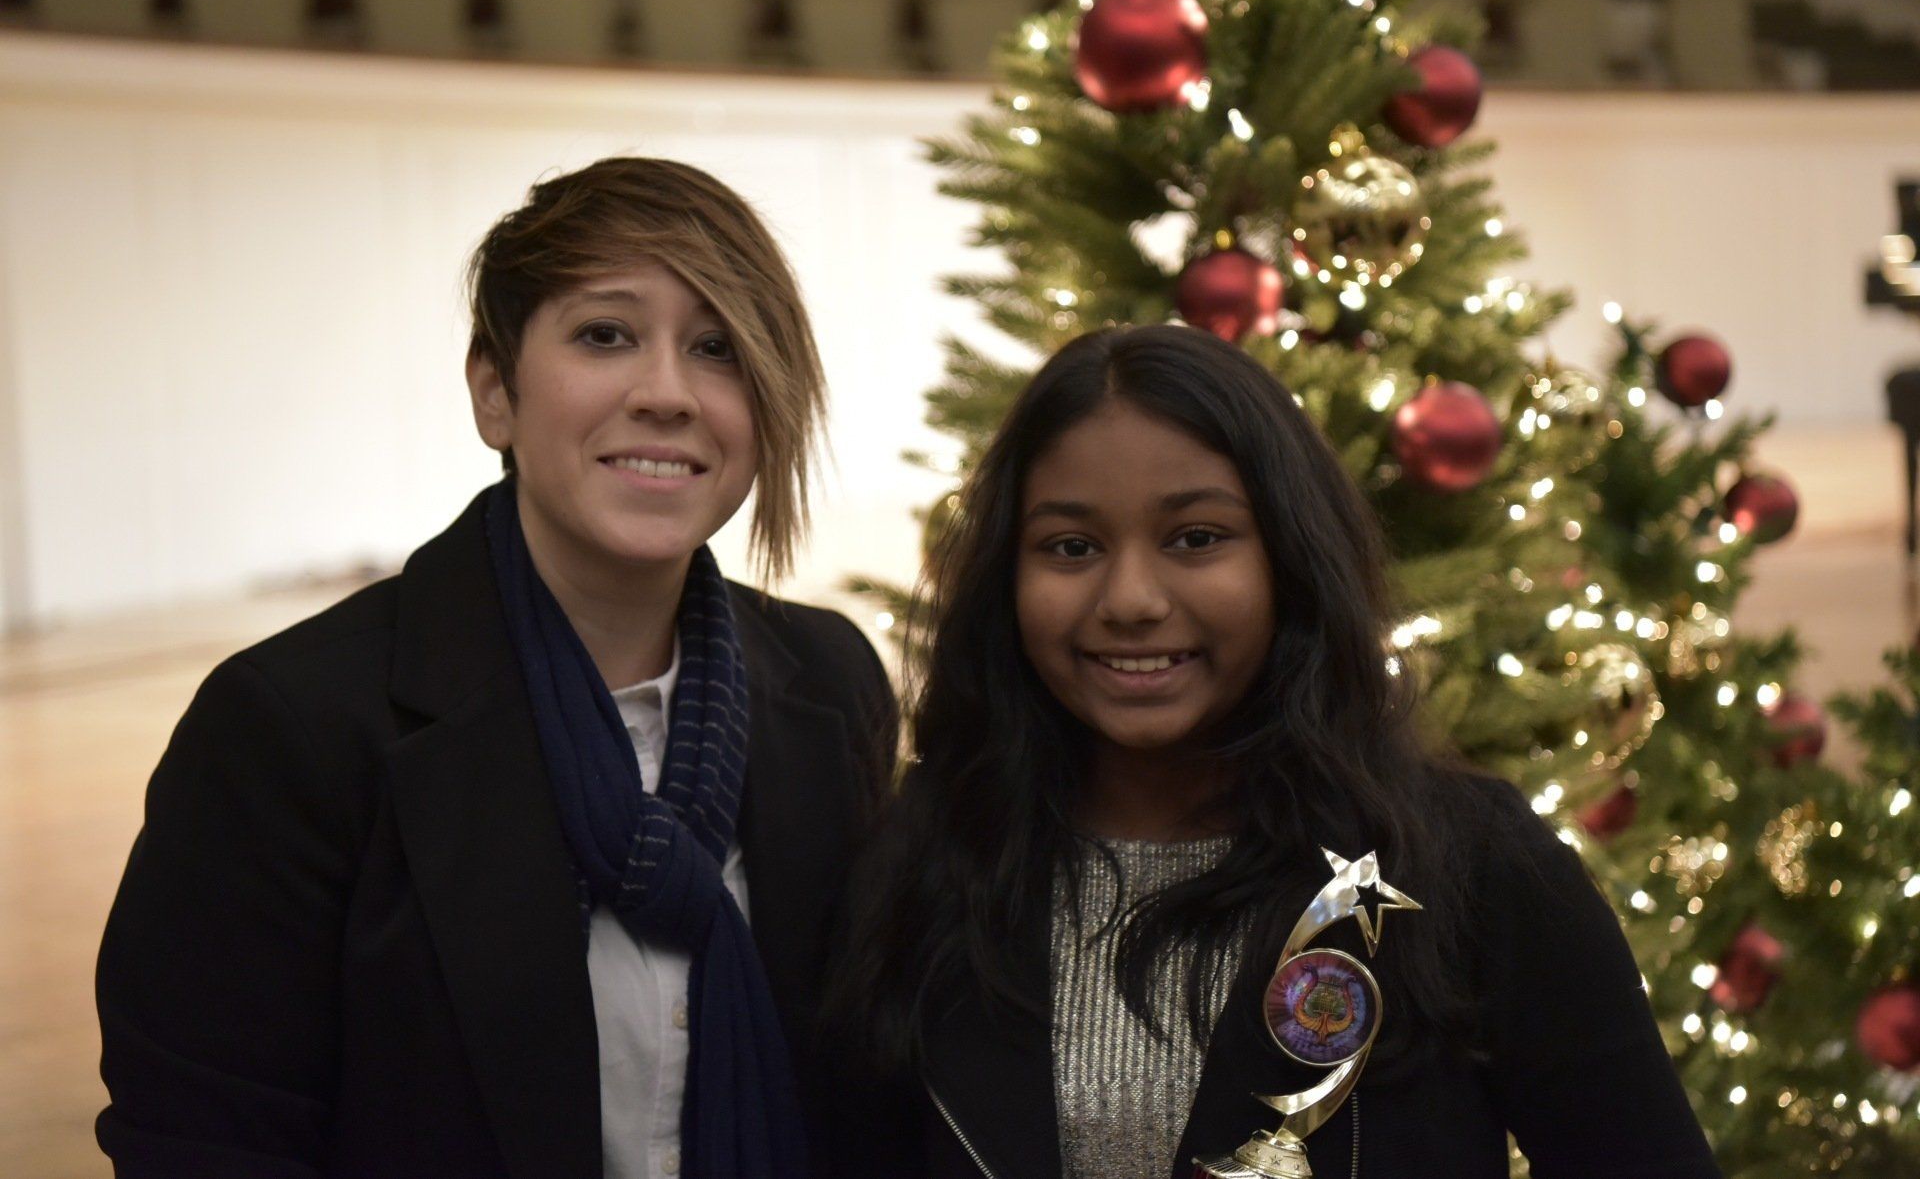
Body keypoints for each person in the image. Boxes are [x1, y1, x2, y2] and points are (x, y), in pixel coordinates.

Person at [96, 158, 897, 1179]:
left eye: (718, 348)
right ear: (495, 393)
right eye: (606, 334)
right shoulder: (292, 726)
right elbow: (202, 1141)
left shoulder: (829, 682)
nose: (666, 392)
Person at [834, 324, 1722, 1178]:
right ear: (1007, 577)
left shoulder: (1473, 867)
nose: (1131, 598)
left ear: (1289, 561)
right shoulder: (927, 865)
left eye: (1196, 538)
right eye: (1071, 547)